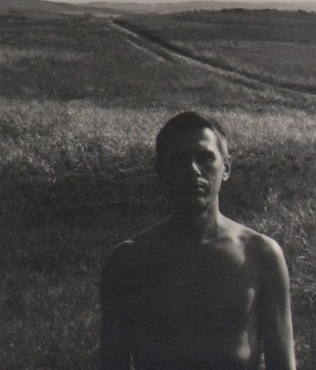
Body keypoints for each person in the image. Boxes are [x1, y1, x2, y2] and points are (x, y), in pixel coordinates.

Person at [100, 112, 296, 370]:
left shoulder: (261, 254)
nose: (192, 170)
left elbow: (282, 363)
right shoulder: (128, 260)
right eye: (179, 160)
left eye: (205, 158)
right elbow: (112, 363)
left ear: (225, 168)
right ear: (160, 170)